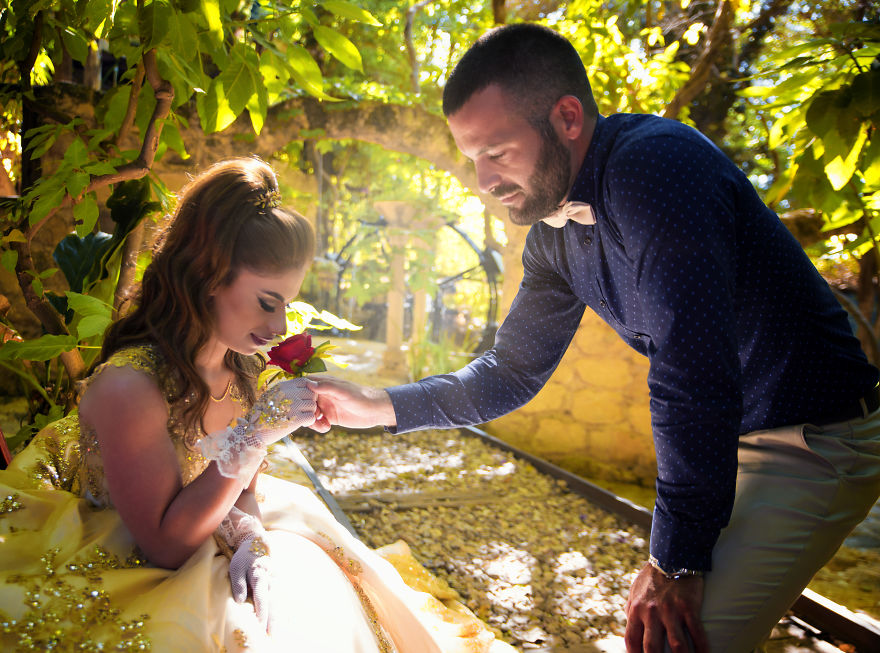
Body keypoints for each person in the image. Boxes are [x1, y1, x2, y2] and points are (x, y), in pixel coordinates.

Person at [311, 24, 880, 653]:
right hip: (729, 438)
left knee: (678, 642)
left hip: (817, 437)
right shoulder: (553, 236)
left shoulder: (655, 166)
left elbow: (690, 371)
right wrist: (374, 404)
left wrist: (676, 561)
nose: (482, 179)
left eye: (496, 151)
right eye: (472, 156)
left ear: (568, 116)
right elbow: (510, 372)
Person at [0, 158, 514, 653]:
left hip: (204, 531)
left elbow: (241, 488)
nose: (279, 328)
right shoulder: (130, 386)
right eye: (267, 302)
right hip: (119, 555)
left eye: (286, 303)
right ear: (207, 276)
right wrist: (256, 431)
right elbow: (165, 546)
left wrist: (252, 541)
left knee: (312, 585)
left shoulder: (237, 369)